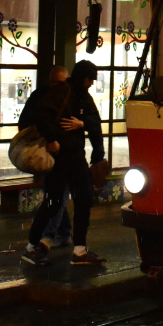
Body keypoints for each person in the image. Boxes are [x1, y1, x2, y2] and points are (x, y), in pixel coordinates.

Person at [21, 62, 105, 267]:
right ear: (82, 78)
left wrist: (81, 123)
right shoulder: (62, 93)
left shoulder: (82, 95)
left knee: (80, 198)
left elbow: (94, 120)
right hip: (60, 158)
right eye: (89, 79)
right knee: (54, 202)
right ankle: (33, 245)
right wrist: (52, 139)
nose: (91, 83)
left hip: (75, 157)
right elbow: (40, 115)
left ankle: (79, 249)